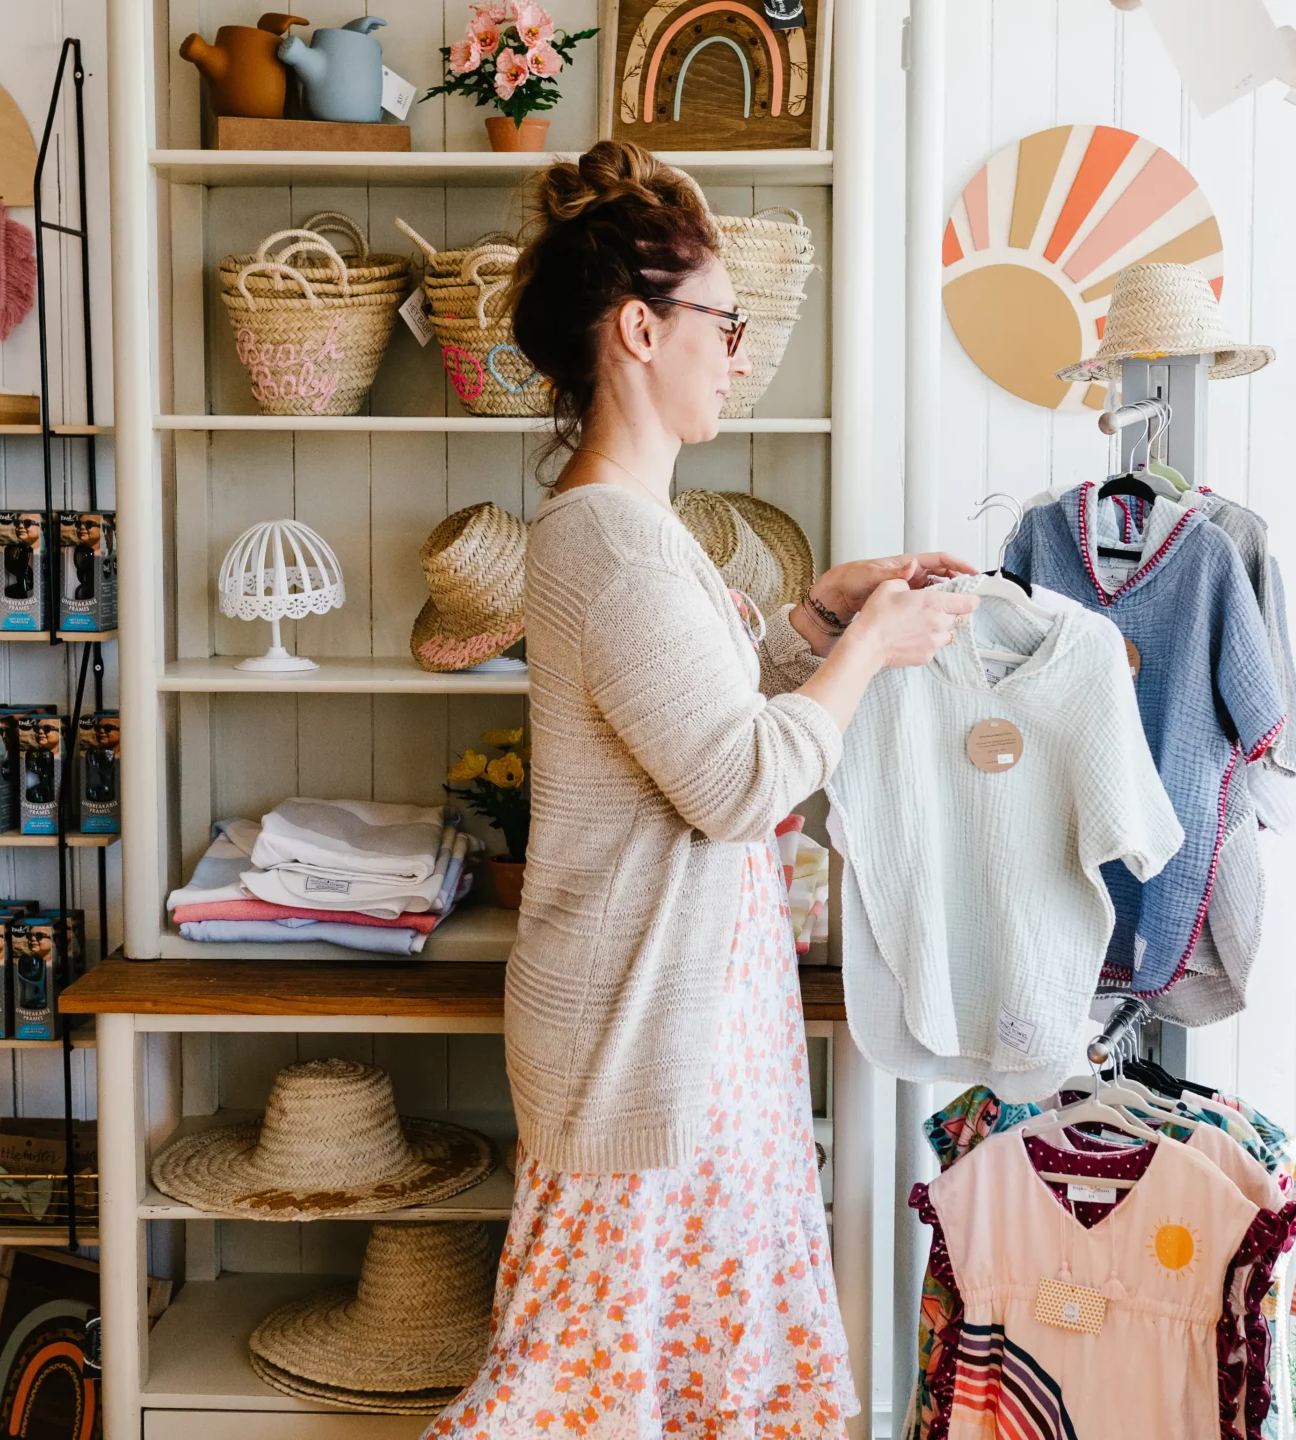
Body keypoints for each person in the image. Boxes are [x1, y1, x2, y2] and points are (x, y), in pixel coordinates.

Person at [428, 141, 981, 1439]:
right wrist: (870, 650)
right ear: (638, 328)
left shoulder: (627, 530)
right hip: (638, 1043)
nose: (740, 350)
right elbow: (741, 782)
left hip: (690, 1029)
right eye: (724, 323)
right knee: (574, 1395)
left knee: (671, 1388)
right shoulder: (613, 542)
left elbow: (691, 730)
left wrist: (807, 622)